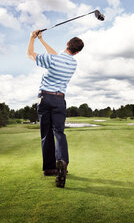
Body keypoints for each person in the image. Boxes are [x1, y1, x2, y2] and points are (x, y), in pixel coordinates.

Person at [27, 30, 84, 188]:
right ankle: (63, 163)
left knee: (46, 133)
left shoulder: (52, 60)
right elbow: (55, 55)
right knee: (59, 132)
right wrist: (42, 40)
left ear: (67, 44)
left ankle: (50, 168)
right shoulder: (73, 63)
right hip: (60, 99)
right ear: (77, 51)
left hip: (44, 98)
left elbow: (30, 54)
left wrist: (32, 38)